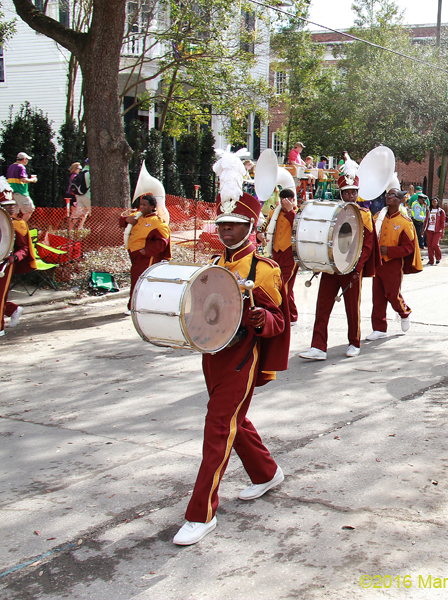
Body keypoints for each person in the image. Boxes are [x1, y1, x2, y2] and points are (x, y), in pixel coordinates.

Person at [173, 162, 290, 546]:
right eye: (222, 224)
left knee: (218, 426)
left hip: (243, 356)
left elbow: (281, 320)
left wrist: (260, 319)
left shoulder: (265, 269)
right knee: (234, 421)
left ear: (249, 228)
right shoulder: (216, 265)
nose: (225, 229)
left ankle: (201, 514)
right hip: (213, 356)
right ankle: (266, 472)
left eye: (234, 224)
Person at [298, 165, 380, 359]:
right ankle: (318, 347)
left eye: (354, 192)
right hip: (332, 266)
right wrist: (320, 261)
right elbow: (322, 236)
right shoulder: (333, 211)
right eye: (347, 192)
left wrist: (357, 268)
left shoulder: (365, 214)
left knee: (352, 308)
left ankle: (354, 342)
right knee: (322, 306)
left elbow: (367, 245)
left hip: (351, 268)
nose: (351, 195)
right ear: (341, 194)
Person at [366, 175, 422, 340]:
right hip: (378, 264)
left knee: (392, 294)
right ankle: (379, 328)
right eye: (387, 195)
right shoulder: (377, 217)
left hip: (393, 264)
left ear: (400, 200)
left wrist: (388, 251)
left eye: (392, 195)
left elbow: (408, 248)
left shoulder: (405, 222)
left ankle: (404, 312)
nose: (388, 197)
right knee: (377, 297)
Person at [119, 194, 171, 312]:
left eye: (144, 205)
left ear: (152, 206)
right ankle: (137, 306)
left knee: (140, 281)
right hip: (134, 255)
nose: (141, 207)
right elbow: (121, 220)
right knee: (135, 280)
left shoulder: (156, 222)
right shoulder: (136, 217)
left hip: (146, 257)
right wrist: (126, 220)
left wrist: (146, 251)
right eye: (140, 204)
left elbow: (162, 242)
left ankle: (134, 307)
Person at [259, 188, 299, 325]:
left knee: (283, 284)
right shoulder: (274, 213)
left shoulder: (298, 214)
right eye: (282, 201)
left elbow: (298, 228)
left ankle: (282, 315)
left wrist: (291, 211)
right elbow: (265, 228)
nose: (284, 204)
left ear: (293, 200)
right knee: (285, 284)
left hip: (290, 253)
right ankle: (292, 315)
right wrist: (260, 234)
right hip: (276, 252)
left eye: (288, 200)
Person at [0, 194, 37, 337]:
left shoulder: (18, 223)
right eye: (6, 205)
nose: (11, 207)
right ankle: (12, 310)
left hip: (5, 264)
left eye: (12, 204)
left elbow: (24, 249)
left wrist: (13, 258)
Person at [6, 152, 37, 222]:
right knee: (30, 210)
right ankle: (21, 228)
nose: (27, 161)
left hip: (12, 193)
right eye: (27, 159)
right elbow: (23, 180)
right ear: (23, 159)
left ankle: (12, 229)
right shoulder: (21, 167)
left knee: (14, 213)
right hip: (20, 192)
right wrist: (33, 180)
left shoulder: (11, 166)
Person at [70, 159, 91, 230]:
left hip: (80, 197)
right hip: (88, 196)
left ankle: (69, 231)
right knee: (95, 214)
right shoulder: (90, 173)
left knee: (77, 215)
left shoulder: (80, 173)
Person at [425, 196, 446, 265]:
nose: (434, 203)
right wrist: (423, 229)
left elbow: (442, 222)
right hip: (429, 230)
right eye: (433, 202)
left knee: (435, 244)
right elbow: (426, 220)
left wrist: (443, 231)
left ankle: (438, 257)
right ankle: (431, 260)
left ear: (437, 202)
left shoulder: (441, 211)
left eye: (435, 201)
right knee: (430, 246)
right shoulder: (429, 211)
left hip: (437, 230)